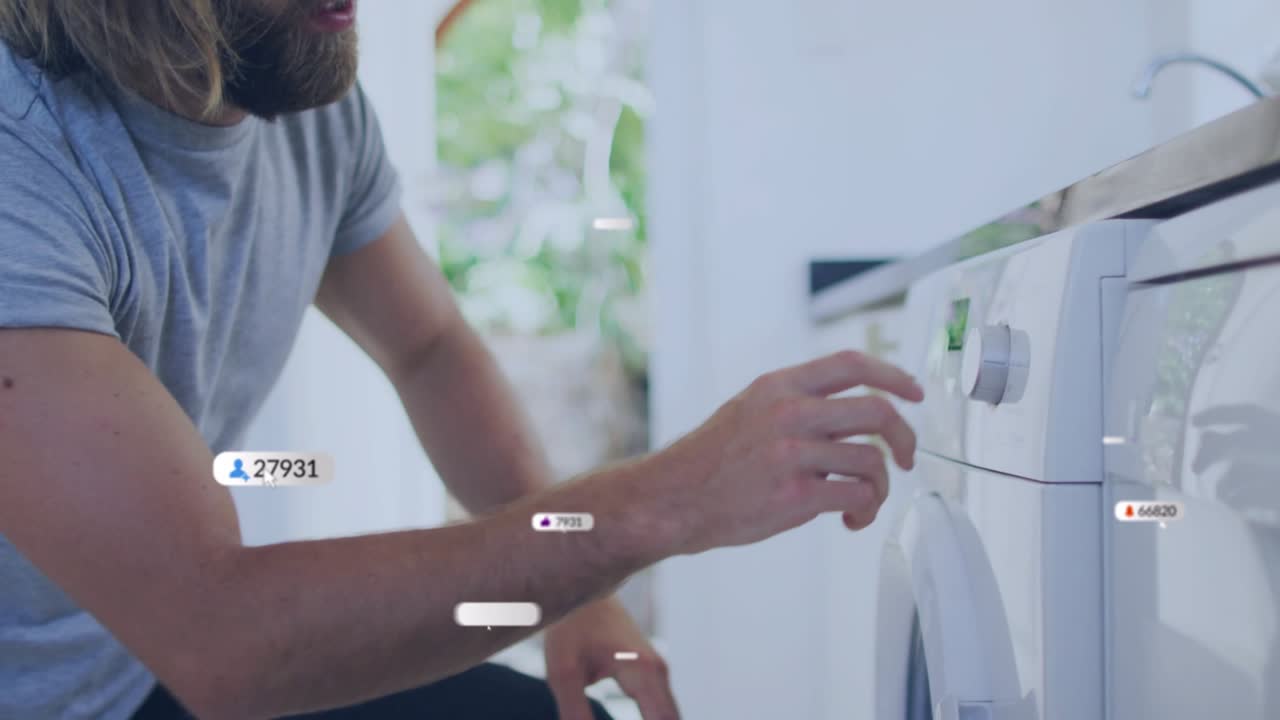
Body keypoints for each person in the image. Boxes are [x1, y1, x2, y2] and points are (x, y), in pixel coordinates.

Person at [0, 1, 924, 719]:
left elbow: (429, 347)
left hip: (133, 670)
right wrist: (660, 503)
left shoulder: (299, 91)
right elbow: (224, 639)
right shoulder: (22, 162)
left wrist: (575, 591)